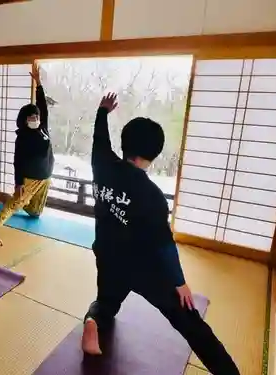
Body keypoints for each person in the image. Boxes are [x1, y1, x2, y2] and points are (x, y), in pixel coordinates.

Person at [81, 93, 240, 374]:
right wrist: (180, 283)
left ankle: (92, 320)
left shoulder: (101, 163)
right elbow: (164, 246)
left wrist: (103, 112)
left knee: (106, 303)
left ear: (125, 144)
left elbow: (99, 137)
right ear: (153, 154)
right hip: (143, 269)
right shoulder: (152, 196)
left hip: (106, 256)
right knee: (189, 321)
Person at [0, 63, 54, 246]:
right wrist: (18, 184)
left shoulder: (43, 127)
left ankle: (6, 198)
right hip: (31, 179)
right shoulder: (23, 137)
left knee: (35, 213)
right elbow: (17, 161)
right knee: (16, 203)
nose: (35, 120)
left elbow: (43, 106)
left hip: (46, 178)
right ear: (24, 120)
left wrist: (39, 83)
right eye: (31, 118)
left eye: (36, 117)